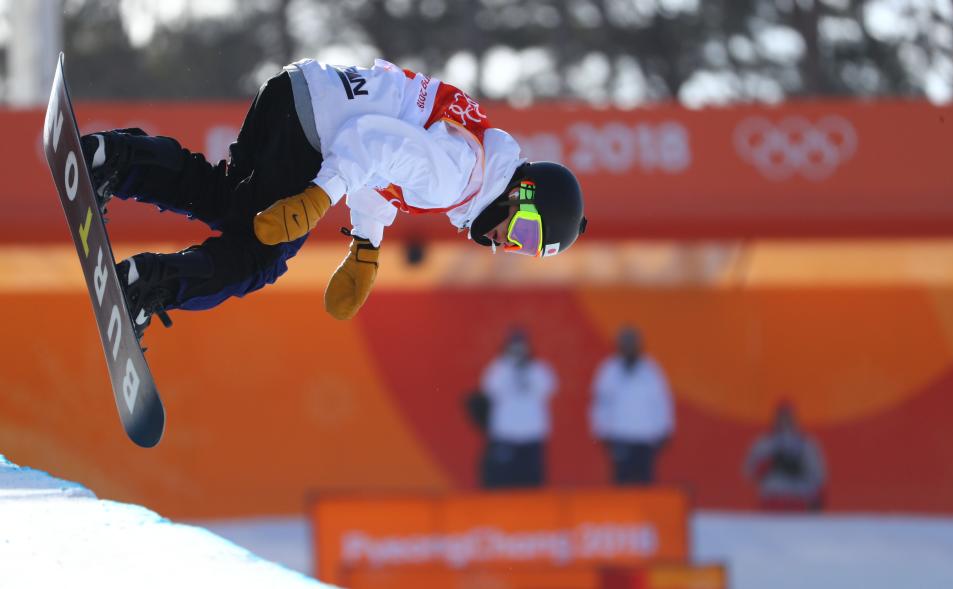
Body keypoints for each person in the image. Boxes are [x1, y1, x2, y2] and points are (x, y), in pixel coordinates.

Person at [79, 59, 587, 337]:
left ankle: (113, 159)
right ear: (523, 194)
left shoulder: (472, 157)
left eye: (520, 249)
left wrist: (366, 246)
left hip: (295, 92)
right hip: (314, 130)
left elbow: (383, 169)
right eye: (522, 233)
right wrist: (318, 199)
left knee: (227, 200)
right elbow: (370, 142)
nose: (505, 244)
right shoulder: (456, 180)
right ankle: (146, 286)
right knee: (256, 260)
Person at [590, 326, 674, 485]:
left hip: (645, 437)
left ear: (639, 345)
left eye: (632, 343)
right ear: (619, 346)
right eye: (625, 343)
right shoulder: (609, 370)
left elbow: (662, 402)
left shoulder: (651, 369)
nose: (629, 347)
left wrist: (665, 428)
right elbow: (600, 403)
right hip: (620, 435)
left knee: (646, 483)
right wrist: (601, 430)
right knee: (622, 483)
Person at [478, 328, 557, 488]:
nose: (518, 351)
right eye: (514, 346)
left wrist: (526, 369)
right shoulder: (498, 368)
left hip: (532, 435)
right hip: (506, 434)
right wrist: (509, 365)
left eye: (521, 346)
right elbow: (489, 389)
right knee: (504, 481)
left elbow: (548, 388)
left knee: (531, 482)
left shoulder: (538, 369)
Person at [743, 403, 827, 511]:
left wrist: (799, 470)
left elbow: (819, 476)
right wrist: (768, 464)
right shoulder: (765, 443)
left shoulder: (806, 444)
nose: (784, 421)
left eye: (788, 417)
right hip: (773, 497)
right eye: (781, 417)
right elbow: (749, 471)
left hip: (798, 499)